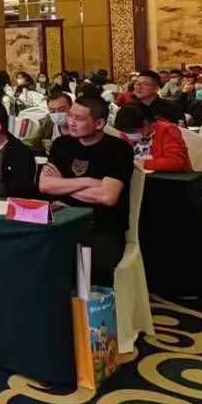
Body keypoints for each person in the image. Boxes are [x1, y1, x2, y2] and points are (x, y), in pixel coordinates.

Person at [40, 97, 134, 284]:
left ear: (99, 123)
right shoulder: (61, 144)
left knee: (95, 279)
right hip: (63, 221)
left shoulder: (118, 149)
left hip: (101, 226)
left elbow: (107, 196)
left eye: (79, 118)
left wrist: (62, 184)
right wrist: (89, 181)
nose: (71, 122)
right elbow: (45, 185)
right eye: (70, 116)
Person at [114, 100, 192, 172]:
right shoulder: (126, 131)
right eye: (125, 132)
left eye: (132, 131)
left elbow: (175, 162)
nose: (129, 135)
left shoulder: (167, 131)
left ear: (145, 123)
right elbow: (120, 156)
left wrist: (142, 164)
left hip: (169, 178)